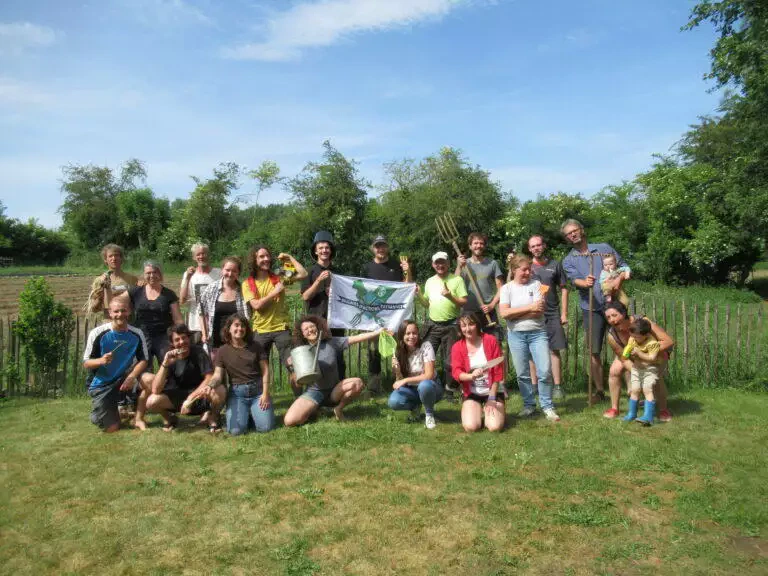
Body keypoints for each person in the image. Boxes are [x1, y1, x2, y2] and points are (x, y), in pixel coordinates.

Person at [561, 218, 628, 402]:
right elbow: (575, 280)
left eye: (574, 230)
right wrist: (585, 282)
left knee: (626, 346)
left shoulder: (604, 248)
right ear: (567, 238)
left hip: (614, 306)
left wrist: (618, 280)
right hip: (591, 308)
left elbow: (624, 267)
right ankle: (599, 391)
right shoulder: (569, 260)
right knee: (594, 351)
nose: (572, 234)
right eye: (568, 234)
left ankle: (632, 389)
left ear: (581, 230)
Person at [283, 316, 383, 426]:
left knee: (357, 383)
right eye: (306, 329)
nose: (310, 330)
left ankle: (338, 409)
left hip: (334, 390)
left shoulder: (332, 343)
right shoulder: (301, 353)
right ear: (302, 334)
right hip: (315, 392)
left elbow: (357, 337)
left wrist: (378, 332)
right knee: (289, 421)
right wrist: (293, 367)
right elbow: (297, 383)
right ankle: (316, 409)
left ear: (318, 327)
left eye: (312, 326)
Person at [499, 255, 561, 422]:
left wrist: (515, 312)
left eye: (529, 269)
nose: (528, 272)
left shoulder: (537, 285)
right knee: (522, 374)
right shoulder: (506, 289)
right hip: (516, 335)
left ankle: (547, 406)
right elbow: (504, 313)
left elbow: (539, 310)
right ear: (514, 270)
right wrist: (529, 308)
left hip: (538, 333)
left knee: (544, 371)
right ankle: (529, 405)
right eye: (524, 269)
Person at [242, 246, 308, 397]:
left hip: (281, 329)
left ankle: (299, 400)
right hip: (260, 331)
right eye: (261, 257)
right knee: (257, 371)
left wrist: (289, 257)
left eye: (267, 256)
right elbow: (256, 306)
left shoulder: (279, 276)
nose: (266, 259)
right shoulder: (247, 283)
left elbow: (303, 273)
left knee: (294, 368)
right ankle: (259, 402)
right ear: (254, 260)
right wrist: (275, 292)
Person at [82, 299, 151, 432]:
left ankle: (138, 418)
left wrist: (132, 376)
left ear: (129, 312)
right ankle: (101, 414)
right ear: (110, 313)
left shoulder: (136, 333)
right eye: (116, 311)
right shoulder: (97, 333)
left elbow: (144, 360)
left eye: (123, 310)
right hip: (102, 384)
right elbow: (86, 363)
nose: (120, 314)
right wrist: (101, 361)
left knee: (150, 380)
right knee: (112, 428)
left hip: (125, 379)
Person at [145, 323, 227, 433]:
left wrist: (190, 398)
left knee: (220, 390)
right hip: (177, 397)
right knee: (151, 401)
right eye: (177, 340)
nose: (181, 342)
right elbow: (155, 389)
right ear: (172, 343)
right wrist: (165, 364)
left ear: (189, 338)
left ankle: (213, 416)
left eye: (184, 338)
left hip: (199, 396)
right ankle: (170, 418)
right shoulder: (169, 356)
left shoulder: (198, 352)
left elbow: (209, 378)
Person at [105, 260, 183, 371]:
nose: (152, 275)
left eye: (155, 272)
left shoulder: (169, 294)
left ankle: (168, 387)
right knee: (143, 369)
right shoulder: (135, 291)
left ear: (160, 274)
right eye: (148, 273)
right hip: (141, 336)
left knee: (169, 367)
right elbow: (116, 302)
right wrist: (105, 290)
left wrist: (180, 336)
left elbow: (178, 319)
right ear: (143, 275)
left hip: (164, 337)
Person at [603, 301, 673, 422]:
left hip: (655, 353)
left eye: (614, 315)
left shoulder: (642, 322)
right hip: (632, 355)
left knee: (655, 377)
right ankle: (615, 409)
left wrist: (646, 353)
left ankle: (663, 410)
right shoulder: (612, 335)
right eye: (608, 317)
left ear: (624, 313)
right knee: (614, 371)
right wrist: (637, 370)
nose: (612, 320)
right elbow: (623, 358)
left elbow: (668, 341)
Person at [206, 314, 274, 435]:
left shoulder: (256, 346)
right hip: (237, 394)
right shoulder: (222, 351)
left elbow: (265, 370)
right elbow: (217, 375)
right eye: (236, 325)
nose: (240, 329)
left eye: (243, 326)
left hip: (258, 392)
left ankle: (253, 414)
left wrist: (265, 393)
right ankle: (248, 414)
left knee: (265, 428)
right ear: (229, 329)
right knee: (235, 431)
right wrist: (210, 385)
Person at [362, 234, 411, 394]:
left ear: (387, 247)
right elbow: (361, 290)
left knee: (398, 350)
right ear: (373, 249)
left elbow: (407, 287)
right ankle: (374, 385)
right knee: (373, 351)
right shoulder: (366, 268)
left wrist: (407, 271)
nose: (380, 248)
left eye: (383, 245)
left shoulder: (396, 266)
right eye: (377, 246)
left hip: (394, 317)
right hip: (373, 318)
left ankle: (399, 380)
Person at [418, 251, 467, 395]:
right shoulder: (429, 281)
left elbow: (463, 301)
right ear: (433, 265)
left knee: (450, 361)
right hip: (433, 325)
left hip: (451, 325)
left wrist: (450, 296)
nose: (440, 265)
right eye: (437, 262)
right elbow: (426, 304)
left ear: (448, 264)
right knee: (426, 357)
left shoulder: (457, 280)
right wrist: (419, 295)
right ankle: (429, 387)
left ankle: (450, 389)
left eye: (443, 262)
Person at [527, 235, 569, 401]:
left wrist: (564, 313)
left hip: (552, 313)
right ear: (529, 249)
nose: (536, 248)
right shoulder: (527, 266)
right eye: (533, 246)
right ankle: (534, 386)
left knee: (554, 350)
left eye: (539, 245)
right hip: (531, 313)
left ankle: (557, 386)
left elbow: (564, 289)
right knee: (531, 351)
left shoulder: (555, 265)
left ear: (544, 246)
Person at [301, 230, 345, 379]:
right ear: (315, 251)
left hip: (336, 321)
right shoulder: (310, 272)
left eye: (327, 247)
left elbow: (345, 296)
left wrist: (334, 292)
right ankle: (320, 387)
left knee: (338, 354)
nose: (324, 250)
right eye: (320, 248)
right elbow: (305, 296)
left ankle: (340, 386)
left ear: (331, 250)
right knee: (318, 355)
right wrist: (318, 281)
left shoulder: (338, 272)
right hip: (317, 320)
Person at [451, 313, 506, 432]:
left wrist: (491, 398)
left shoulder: (490, 340)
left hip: (492, 391)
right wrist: (471, 376)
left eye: (471, 324)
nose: (467, 329)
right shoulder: (457, 347)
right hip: (472, 393)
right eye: (464, 326)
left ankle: (490, 411)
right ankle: (476, 410)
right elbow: (456, 372)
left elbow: (497, 373)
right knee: (471, 427)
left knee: (494, 427)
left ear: (477, 324)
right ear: (460, 328)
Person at [387, 320, 443, 430]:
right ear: (402, 335)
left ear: (418, 334)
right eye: (408, 333)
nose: (411, 336)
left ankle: (429, 414)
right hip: (412, 389)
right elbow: (399, 381)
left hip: (432, 387)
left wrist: (405, 380)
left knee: (424, 385)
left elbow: (429, 375)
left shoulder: (426, 346)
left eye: (414, 333)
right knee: (393, 402)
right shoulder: (399, 351)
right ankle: (416, 406)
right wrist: (397, 371)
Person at [197, 256, 250, 363]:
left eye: (234, 271)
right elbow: (201, 311)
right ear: (222, 270)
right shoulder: (211, 289)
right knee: (216, 373)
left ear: (238, 272)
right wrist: (204, 333)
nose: (230, 274)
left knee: (236, 373)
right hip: (215, 340)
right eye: (227, 270)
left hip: (236, 340)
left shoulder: (244, 290)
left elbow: (248, 315)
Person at [455, 232, 504, 339]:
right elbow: (455, 283)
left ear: (484, 246)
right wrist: (459, 266)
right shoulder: (464, 264)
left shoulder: (492, 263)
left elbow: (501, 288)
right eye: (475, 243)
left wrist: (492, 305)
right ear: (470, 246)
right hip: (468, 311)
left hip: (488, 311)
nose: (478, 246)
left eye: (481, 243)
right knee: (469, 343)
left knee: (494, 342)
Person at [621, 318, 660, 425]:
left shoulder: (652, 343)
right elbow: (629, 347)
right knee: (635, 390)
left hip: (649, 370)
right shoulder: (632, 339)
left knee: (647, 389)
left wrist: (639, 354)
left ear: (646, 334)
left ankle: (648, 417)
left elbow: (652, 358)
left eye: (637, 337)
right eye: (632, 336)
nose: (634, 339)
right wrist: (626, 353)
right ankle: (632, 414)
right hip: (636, 369)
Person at [179, 243, 221, 342]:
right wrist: (188, 278)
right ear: (194, 257)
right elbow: (182, 300)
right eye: (198, 254)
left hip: (215, 322)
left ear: (209, 255)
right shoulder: (188, 275)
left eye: (204, 253)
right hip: (195, 324)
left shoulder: (219, 273)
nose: (201, 256)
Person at [87, 244, 138, 316]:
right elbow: (94, 309)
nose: (114, 258)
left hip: (128, 322)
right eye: (110, 256)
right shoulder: (100, 281)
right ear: (105, 260)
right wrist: (99, 298)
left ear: (121, 259)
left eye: (116, 255)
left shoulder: (132, 279)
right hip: (109, 321)